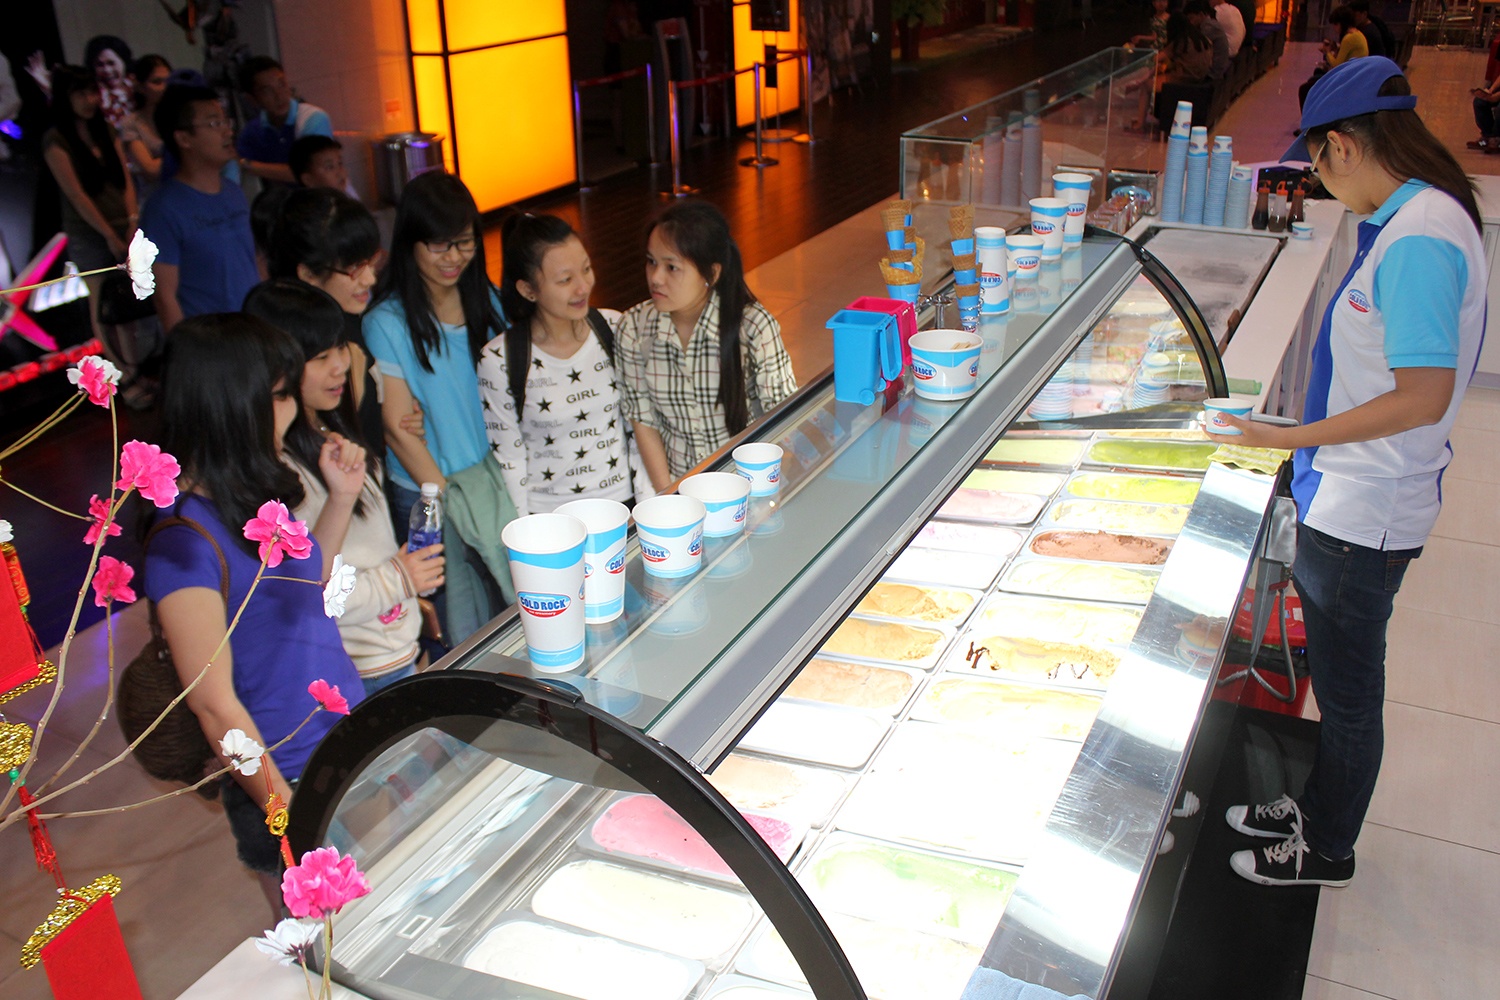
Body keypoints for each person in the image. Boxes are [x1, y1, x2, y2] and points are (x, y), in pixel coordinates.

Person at [1207, 58, 1485, 888]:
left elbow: (1421, 396)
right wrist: (1297, 441)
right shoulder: (1415, 218)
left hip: (1370, 511)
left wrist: (1288, 437)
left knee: (1349, 695)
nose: (1319, 179)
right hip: (1353, 490)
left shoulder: (1421, 239)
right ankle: (1318, 808)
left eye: (1318, 161)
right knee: (1340, 683)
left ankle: (1328, 847)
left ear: (1344, 147)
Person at [146, 312, 365, 916]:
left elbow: (304, 593)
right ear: (230, 405)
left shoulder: (249, 494)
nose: (293, 410)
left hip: (342, 734)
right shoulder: (184, 542)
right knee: (326, 947)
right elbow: (215, 705)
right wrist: (287, 813)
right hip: (284, 773)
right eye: (279, 395)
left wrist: (342, 496)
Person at [244, 280, 442, 695]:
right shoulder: (282, 473)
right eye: (320, 357)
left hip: (393, 647)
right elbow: (309, 590)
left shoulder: (329, 428)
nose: (340, 366)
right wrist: (400, 578)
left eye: (340, 348)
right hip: (361, 668)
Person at [363, 171, 505, 639]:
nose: (454, 257)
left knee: (502, 611)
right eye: (439, 245)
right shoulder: (387, 321)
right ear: (411, 243)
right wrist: (447, 498)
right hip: (430, 493)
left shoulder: (487, 300)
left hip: (491, 482)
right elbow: (398, 428)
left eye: (464, 243)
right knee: (454, 625)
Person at [617, 201, 797, 488]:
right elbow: (644, 421)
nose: (656, 278)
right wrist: (670, 496)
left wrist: (763, 493)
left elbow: (786, 418)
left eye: (672, 267)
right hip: (680, 488)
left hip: (747, 484)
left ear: (712, 274)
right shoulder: (633, 328)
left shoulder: (753, 326)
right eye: (651, 261)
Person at [478, 212, 638, 515]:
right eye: (565, 280)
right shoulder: (499, 359)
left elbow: (639, 429)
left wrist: (648, 507)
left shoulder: (616, 327)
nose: (583, 287)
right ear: (528, 290)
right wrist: (526, 530)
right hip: (552, 519)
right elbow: (510, 460)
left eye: (586, 269)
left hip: (623, 507)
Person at [268, 186, 408, 458]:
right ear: (308, 274)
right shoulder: (298, 349)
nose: (369, 279)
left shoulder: (351, 317)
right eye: (354, 268)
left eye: (371, 262)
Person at [42, 65, 148, 403]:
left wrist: (131, 221)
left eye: (92, 92)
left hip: (122, 225)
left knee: (127, 302)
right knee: (103, 303)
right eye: (81, 93)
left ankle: (136, 369)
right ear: (65, 97)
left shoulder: (105, 129)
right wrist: (108, 234)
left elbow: (125, 179)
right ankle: (123, 378)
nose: (90, 100)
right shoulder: (56, 140)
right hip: (89, 234)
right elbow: (77, 196)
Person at [139, 84, 259, 331]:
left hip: (254, 332)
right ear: (184, 138)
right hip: (211, 341)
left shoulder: (233, 192)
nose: (227, 131)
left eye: (226, 121)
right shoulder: (163, 209)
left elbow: (254, 262)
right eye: (214, 123)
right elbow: (165, 298)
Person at [235, 56, 333, 186]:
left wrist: (250, 166)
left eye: (282, 84)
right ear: (252, 99)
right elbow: (233, 166)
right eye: (267, 91)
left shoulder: (313, 118)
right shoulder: (252, 131)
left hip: (325, 195)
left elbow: (309, 172)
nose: (279, 95)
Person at [118, 54, 171, 197]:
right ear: (141, 87)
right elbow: (150, 169)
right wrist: (187, 155)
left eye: (168, 81)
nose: (164, 87)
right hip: (157, 197)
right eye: (157, 82)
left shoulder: (181, 116)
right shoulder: (131, 123)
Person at [1300, 6, 1368, 109]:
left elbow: (1337, 64)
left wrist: (1327, 52)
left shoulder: (1348, 38)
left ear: (1342, 23)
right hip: (1355, 76)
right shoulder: (1358, 34)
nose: (1335, 29)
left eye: (1336, 25)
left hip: (1347, 80)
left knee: (1305, 89)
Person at [84, 35, 134, 132]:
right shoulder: (92, 98)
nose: (107, 70)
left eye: (111, 63)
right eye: (100, 65)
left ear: (124, 62)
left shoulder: (139, 88)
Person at [1158, 13, 1214, 87]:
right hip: (1202, 80)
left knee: (1148, 84)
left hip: (1185, 80)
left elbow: (1156, 58)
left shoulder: (1182, 41)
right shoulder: (1201, 38)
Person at [1183, 2, 1231, 80]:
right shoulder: (1211, 23)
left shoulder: (1208, 28)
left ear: (1201, 15)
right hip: (1218, 67)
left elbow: (1194, 47)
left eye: (1191, 18)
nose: (1190, 22)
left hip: (1214, 71)